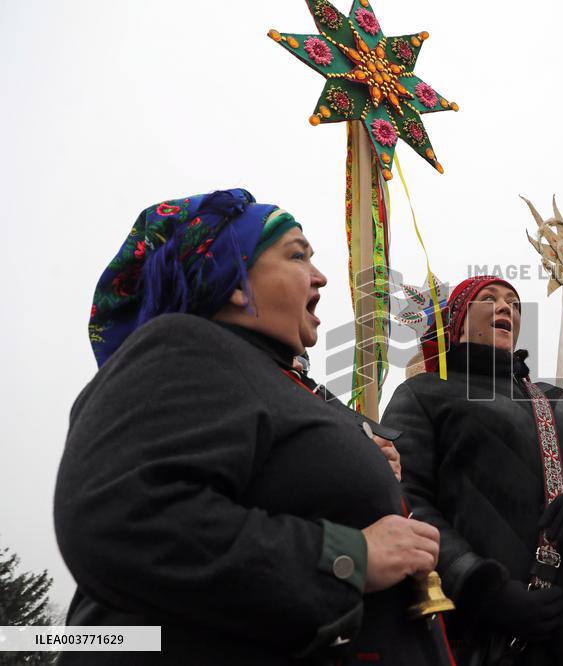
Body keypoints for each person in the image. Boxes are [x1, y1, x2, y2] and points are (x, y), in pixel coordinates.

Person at [55, 189, 446, 665]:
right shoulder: (183, 345)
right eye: (298, 255)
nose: (320, 277)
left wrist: (360, 454)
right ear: (234, 279)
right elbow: (121, 517)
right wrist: (351, 557)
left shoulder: (283, 380)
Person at [382, 275, 563, 666]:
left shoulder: (561, 400)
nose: (506, 307)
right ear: (456, 320)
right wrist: (480, 586)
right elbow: (405, 498)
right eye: (488, 299)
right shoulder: (423, 394)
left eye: (514, 303)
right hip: (495, 638)